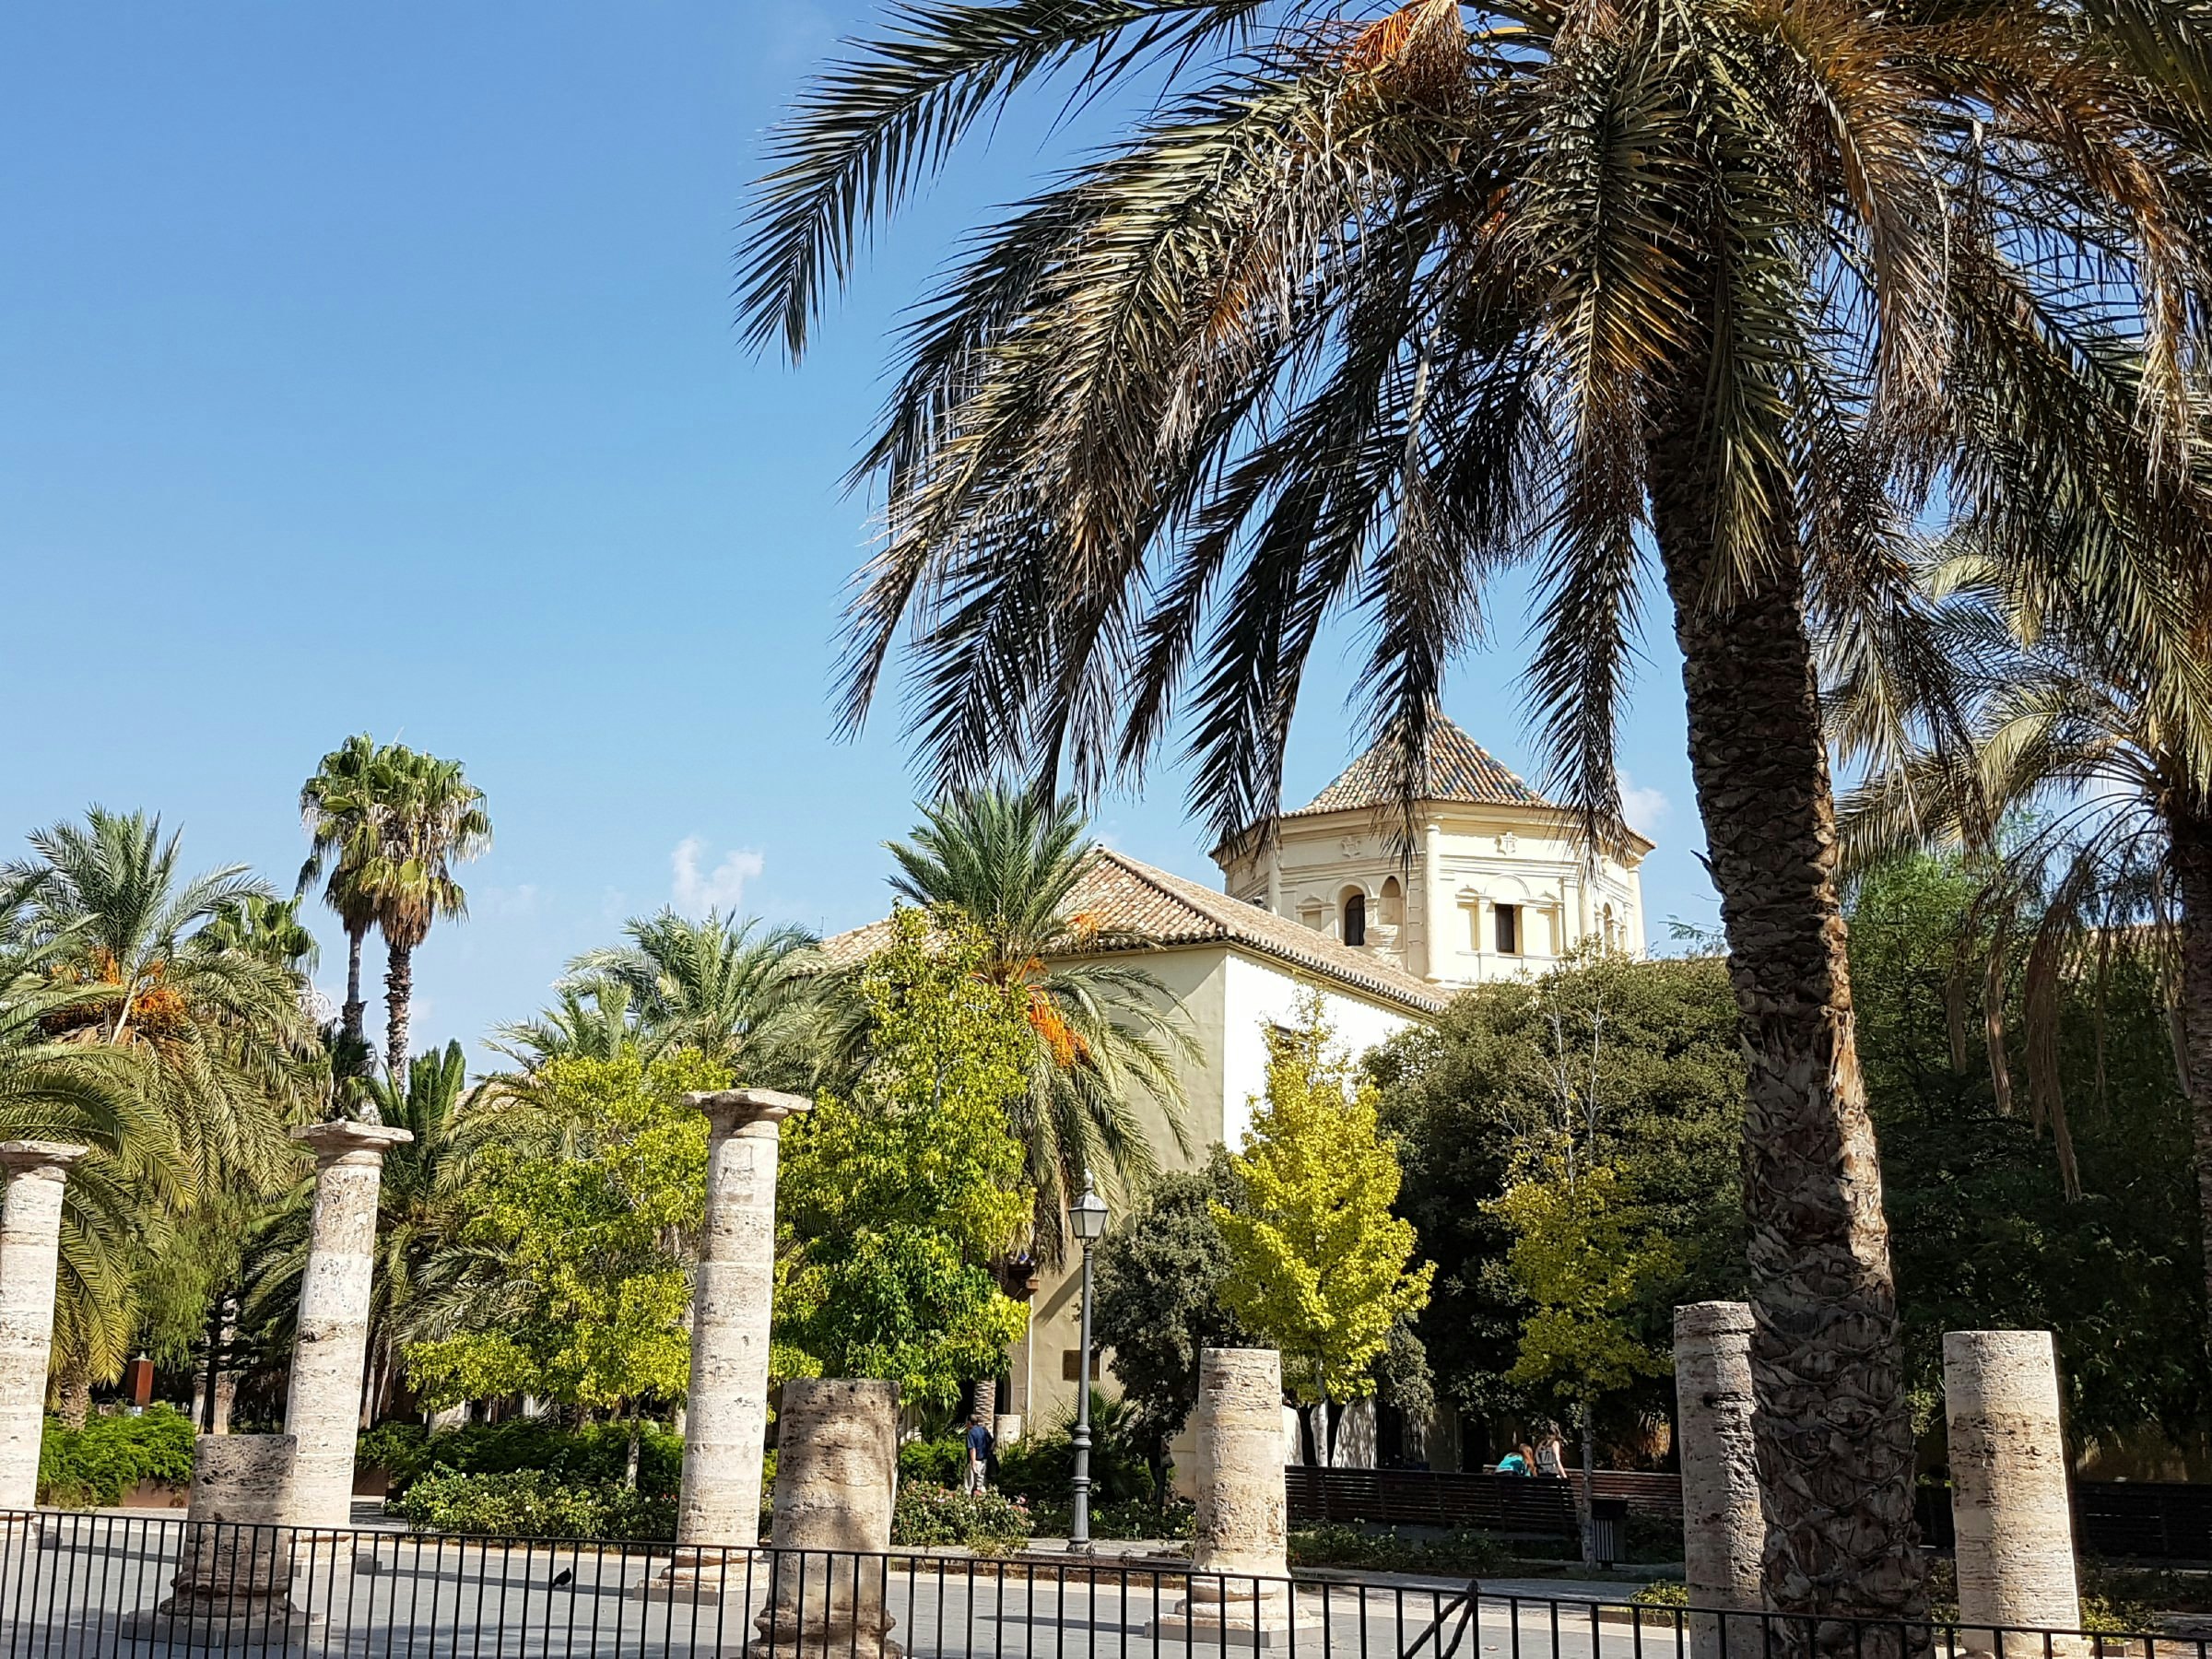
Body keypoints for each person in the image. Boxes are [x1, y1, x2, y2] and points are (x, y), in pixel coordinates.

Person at [962, 1412, 994, 1495]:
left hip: (975, 1460)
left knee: (969, 1484)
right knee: (981, 1484)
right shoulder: (983, 1430)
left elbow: (972, 1448)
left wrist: (973, 1462)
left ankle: (967, 1500)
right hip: (984, 1460)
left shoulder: (971, 1433)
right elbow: (992, 1442)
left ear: (969, 1422)